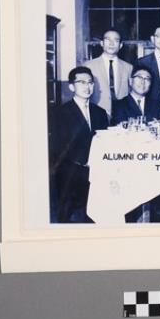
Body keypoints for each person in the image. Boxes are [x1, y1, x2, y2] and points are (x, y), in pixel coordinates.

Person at [50, 66, 109, 223]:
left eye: (90, 82)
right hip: (70, 174)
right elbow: (58, 147)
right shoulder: (59, 113)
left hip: (96, 173)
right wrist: (84, 162)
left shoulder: (100, 112)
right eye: (81, 82)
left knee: (95, 216)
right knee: (67, 219)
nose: (87, 86)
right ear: (71, 86)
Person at [81, 28, 132, 118]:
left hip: (122, 115)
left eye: (116, 40)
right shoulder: (88, 66)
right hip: (97, 114)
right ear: (102, 43)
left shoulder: (128, 67)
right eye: (108, 39)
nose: (111, 44)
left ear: (120, 45)